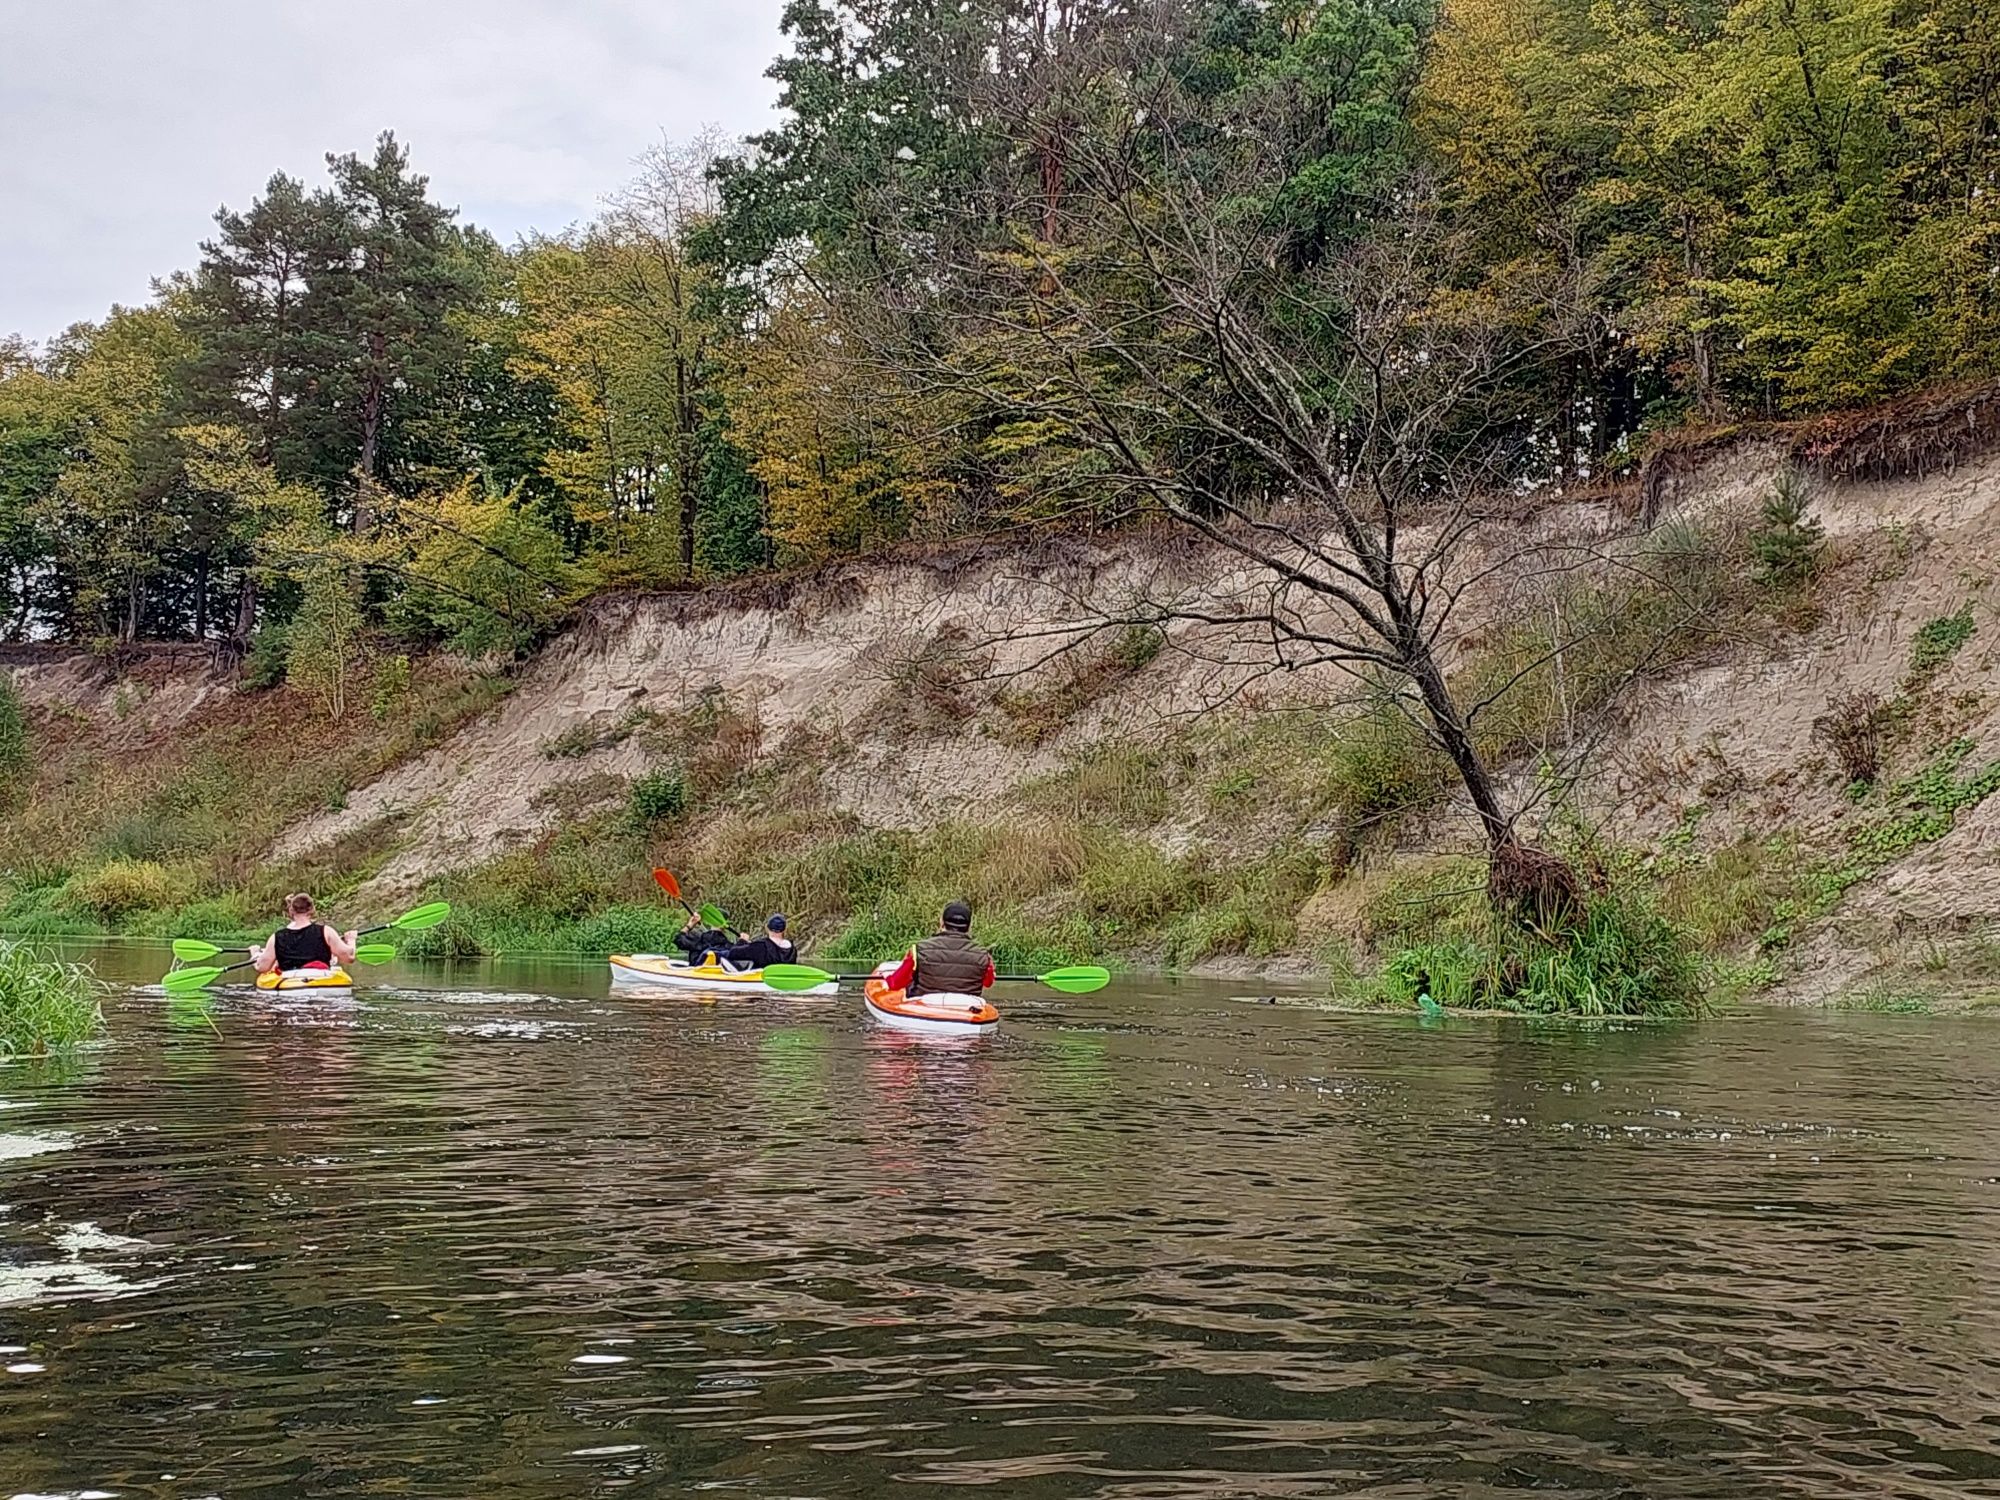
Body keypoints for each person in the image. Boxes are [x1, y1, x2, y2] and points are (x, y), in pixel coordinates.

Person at [878, 901, 995, 997]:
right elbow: (988, 982)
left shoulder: (919, 949)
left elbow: (896, 983)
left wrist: (886, 981)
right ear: (969, 926)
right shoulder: (984, 955)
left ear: (942, 923)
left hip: (925, 1006)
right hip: (967, 1009)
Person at [253, 893, 358, 976]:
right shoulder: (326, 932)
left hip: (289, 982)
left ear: (291, 910)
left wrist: (255, 954)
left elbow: (262, 967)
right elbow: (349, 957)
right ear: (312, 910)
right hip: (321, 978)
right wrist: (351, 940)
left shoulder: (276, 937)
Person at [721, 915, 796, 972]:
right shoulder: (792, 950)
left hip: (761, 980)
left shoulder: (760, 946)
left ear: (767, 928)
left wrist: (742, 941)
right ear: (784, 929)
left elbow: (732, 953)